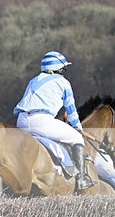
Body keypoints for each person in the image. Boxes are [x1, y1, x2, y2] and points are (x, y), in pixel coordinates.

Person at [13, 51, 94, 191]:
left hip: (21, 121)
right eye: (63, 69)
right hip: (41, 121)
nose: (64, 72)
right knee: (76, 138)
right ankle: (81, 179)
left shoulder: (33, 81)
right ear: (58, 69)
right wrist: (78, 128)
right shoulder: (63, 82)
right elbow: (71, 110)